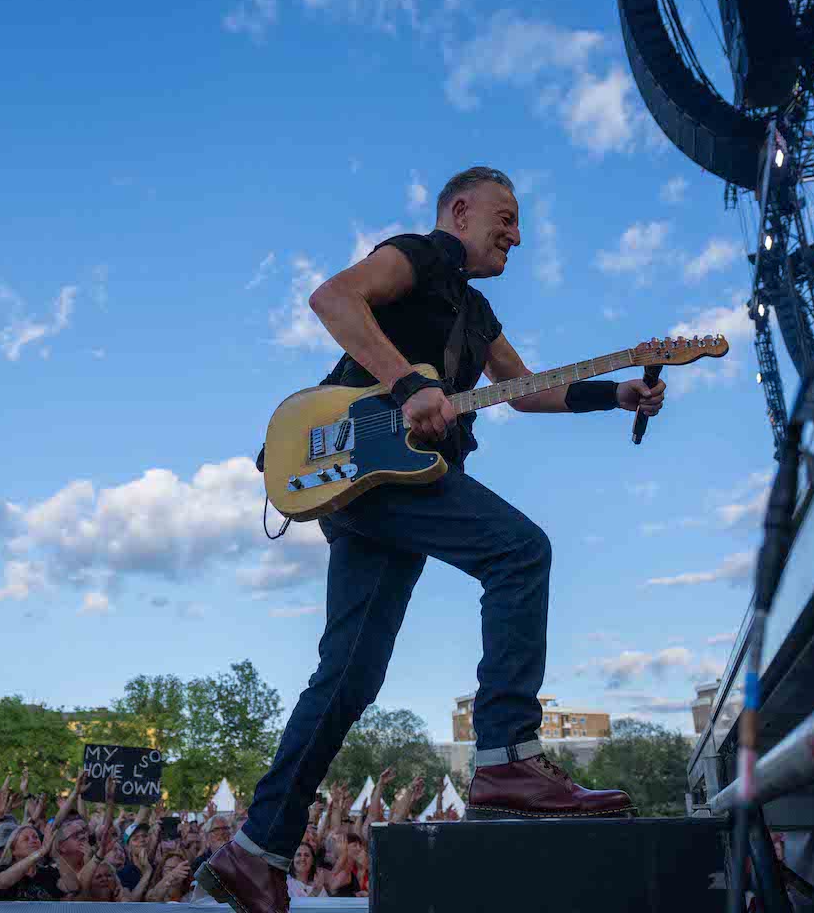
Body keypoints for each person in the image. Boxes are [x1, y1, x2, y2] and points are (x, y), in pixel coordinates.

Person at [199, 167, 659, 911]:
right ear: (461, 209)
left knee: (349, 676)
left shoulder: (477, 317)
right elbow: (334, 298)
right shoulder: (421, 255)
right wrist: (408, 386)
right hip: (365, 466)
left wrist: (617, 393)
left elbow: (529, 387)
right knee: (519, 551)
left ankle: (256, 849)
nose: (516, 233)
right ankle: (507, 756)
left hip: (391, 489)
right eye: (504, 217)